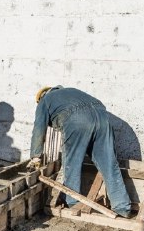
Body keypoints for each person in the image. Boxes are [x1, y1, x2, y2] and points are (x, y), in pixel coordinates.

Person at [28, 86, 132, 218]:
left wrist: (35, 156)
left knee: (72, 163)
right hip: (103, 118)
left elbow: (39, 129)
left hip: (77, 120)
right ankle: (122, 207)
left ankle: (73, 202)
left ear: (41, 96)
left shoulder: (45, 100)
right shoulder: (71, 92)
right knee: (109, 163)